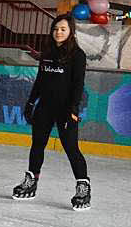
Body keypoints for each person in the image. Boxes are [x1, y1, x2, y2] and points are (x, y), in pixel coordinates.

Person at [13, 13, 90, 210]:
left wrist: (73, 110)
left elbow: (78, 85)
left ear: (70, 31)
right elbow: (40, 81)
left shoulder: (77, 55)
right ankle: (31, 181)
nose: (58, 32)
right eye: (56, 29)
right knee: (37, 145)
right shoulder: (47, 53)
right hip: (44, 108)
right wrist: (30, 103)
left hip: (65, 110)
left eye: (63, 29)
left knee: (71, 148)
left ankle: (83, 187)